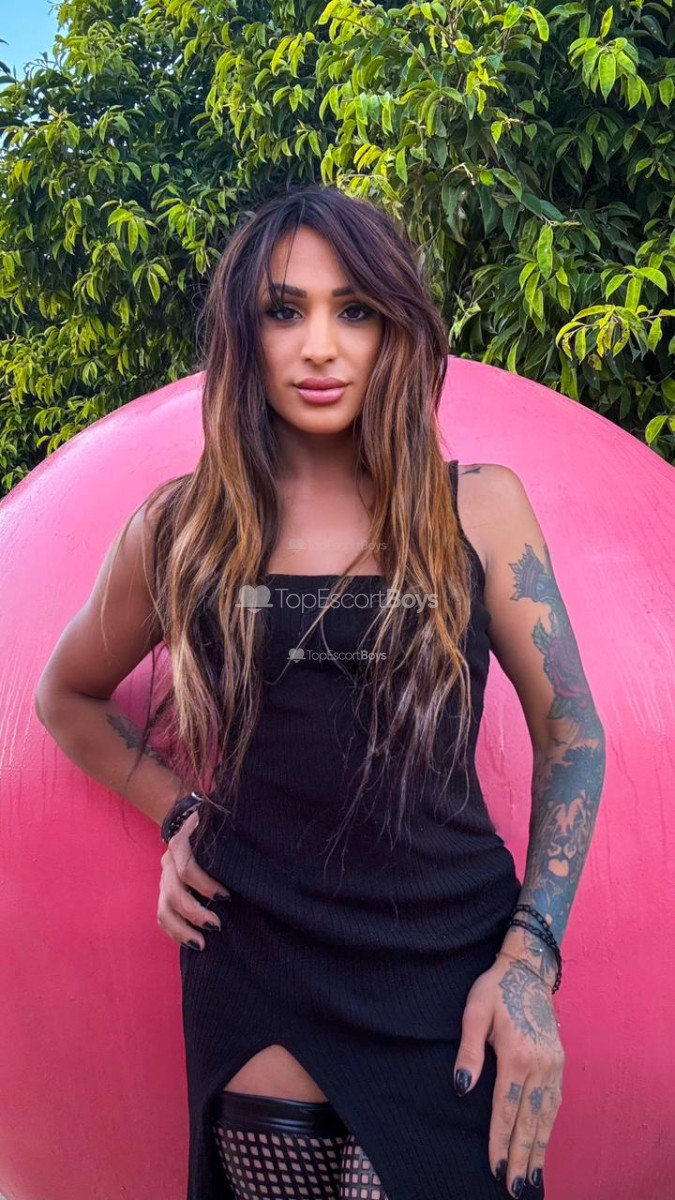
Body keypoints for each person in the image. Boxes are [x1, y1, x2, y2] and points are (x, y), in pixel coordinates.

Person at [35, 184, 606, 1200]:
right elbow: (66, 697)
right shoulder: (181, 531)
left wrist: (530, 959)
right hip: (257, 961)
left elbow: (574, 735)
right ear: (243, 335)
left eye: (355, 311)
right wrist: (180, 811)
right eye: (283, 310)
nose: (319, 347)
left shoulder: (477, 509)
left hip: (451, 971)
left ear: (395, 330)